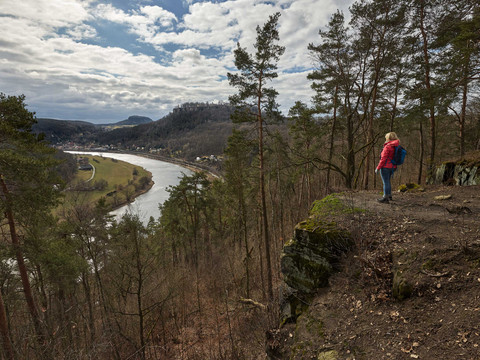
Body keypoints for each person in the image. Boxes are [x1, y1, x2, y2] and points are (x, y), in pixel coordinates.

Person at [375, 132, 400, 203]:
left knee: (385, 182)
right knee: (388, 181)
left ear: (388, 138)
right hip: (393, 166)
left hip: (385, 166)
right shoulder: (396, 146)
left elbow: (383, 158)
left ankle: (385, 198)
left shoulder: (387, 146)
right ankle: (389, 195)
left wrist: (378, 167)